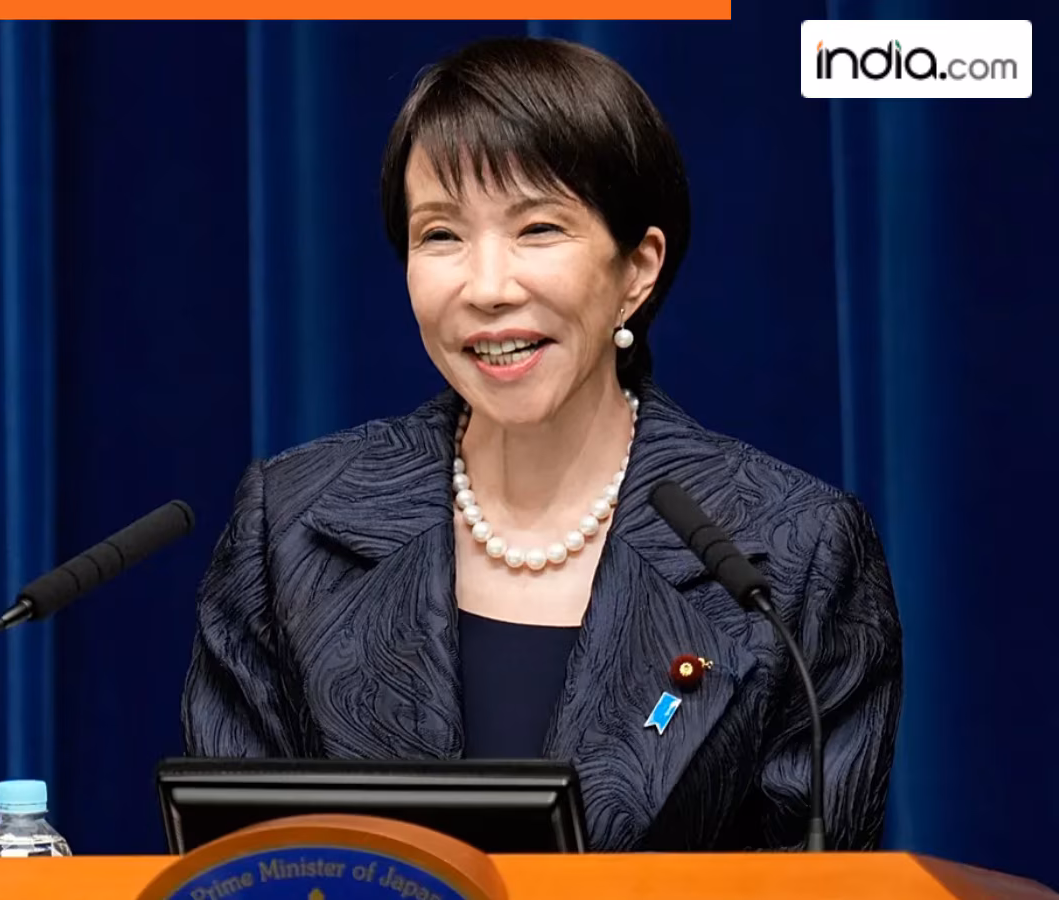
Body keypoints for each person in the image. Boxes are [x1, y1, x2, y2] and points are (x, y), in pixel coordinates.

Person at [181, 35, 903, 853]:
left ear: (638, 269)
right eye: (441, 235)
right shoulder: (291, 527)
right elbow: (228, 866)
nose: (488, 288)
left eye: (538, 228)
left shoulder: (792, 552)